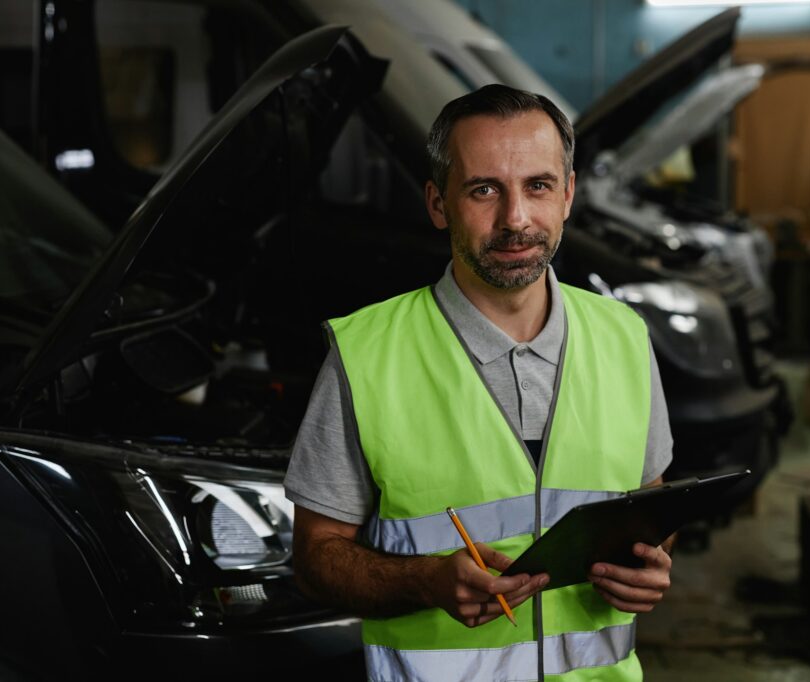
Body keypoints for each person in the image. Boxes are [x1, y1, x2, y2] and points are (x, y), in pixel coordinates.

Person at [286, 84, 674, 681]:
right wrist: (422, 581)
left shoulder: (623, 336)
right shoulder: (365, 355)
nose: (515, 219)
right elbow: (315, 559)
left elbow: (651, 506)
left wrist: (651, 565)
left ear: (568, 195)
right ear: (439, 204)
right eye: (484, 189)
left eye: (538, 186)